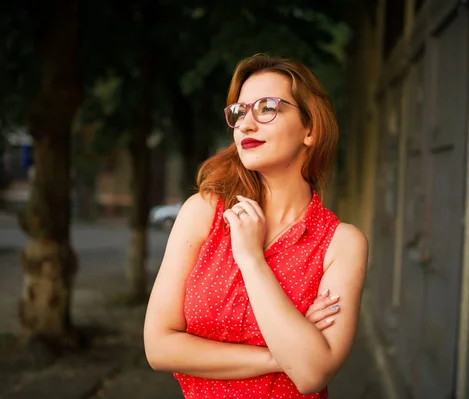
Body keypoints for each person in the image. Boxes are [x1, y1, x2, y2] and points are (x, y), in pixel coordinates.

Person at [143, 54, 368, 398]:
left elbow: (311, 375)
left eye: (266, 108)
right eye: (239, 112)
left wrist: (250, 258)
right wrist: (282, 355)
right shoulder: (203, 213)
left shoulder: (341, 243)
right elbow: (158, 348)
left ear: (311, 129)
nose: (246, 125)